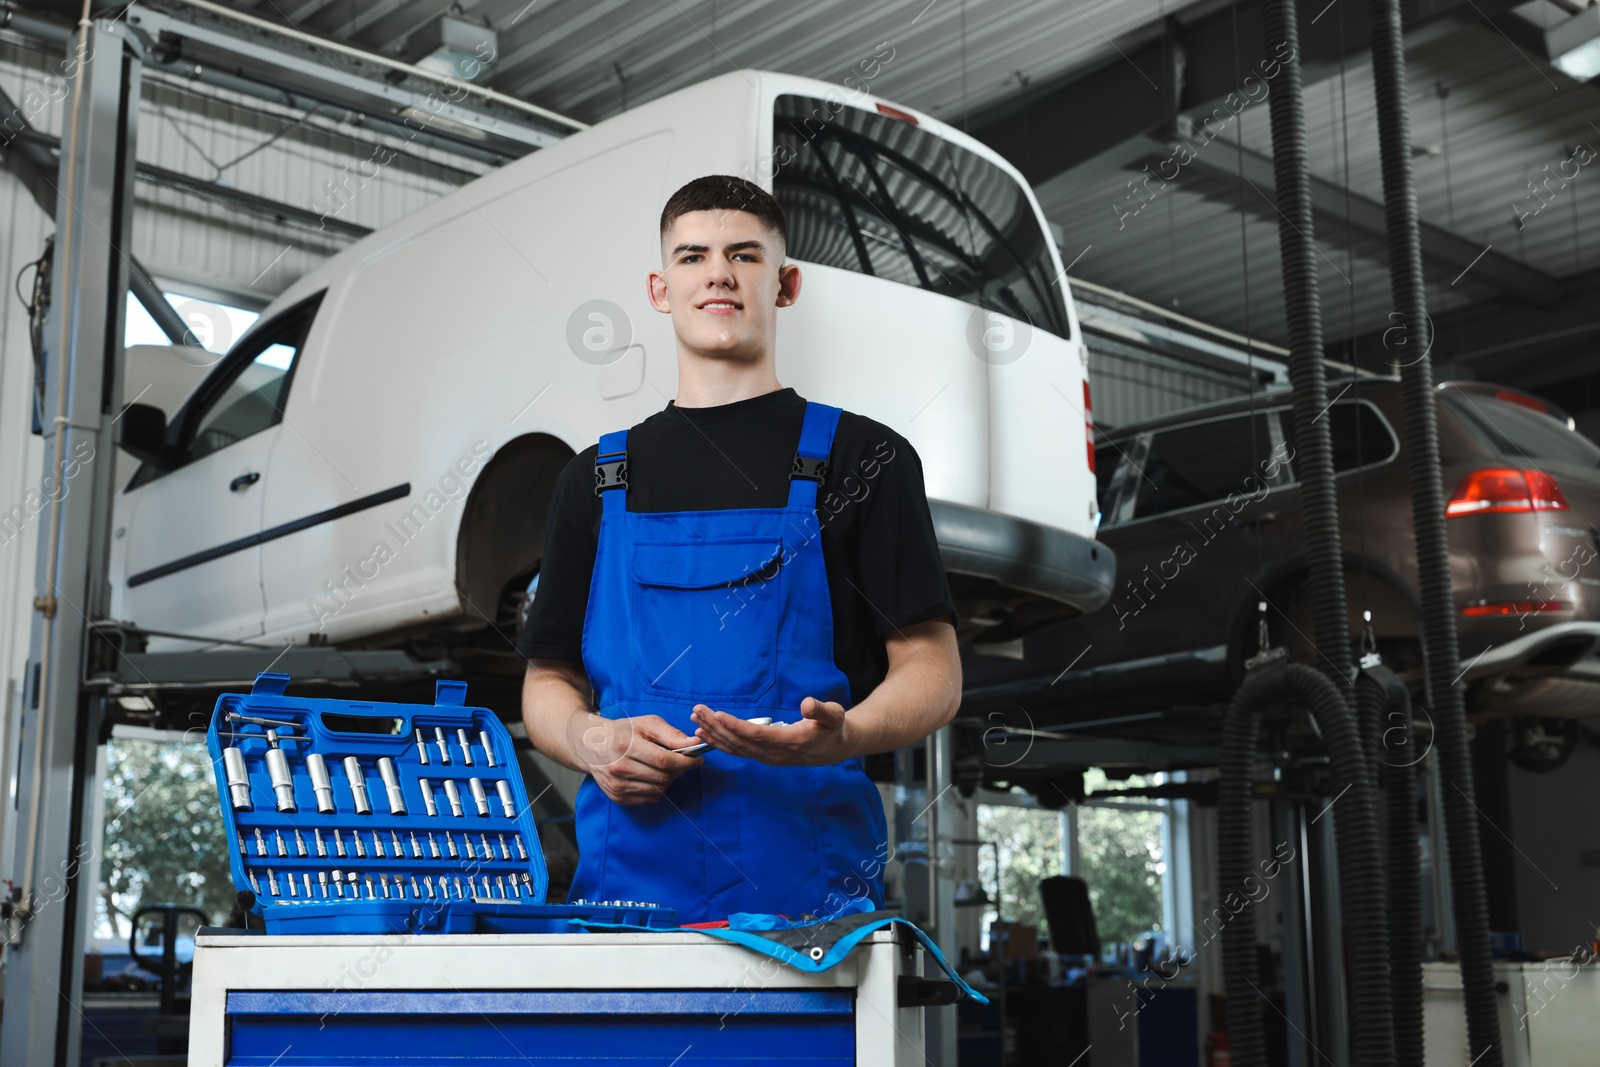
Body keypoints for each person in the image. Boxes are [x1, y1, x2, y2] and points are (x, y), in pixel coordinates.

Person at [518, 175, 961, 924]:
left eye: (744, 255)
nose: (718, 272)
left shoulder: (865, 458)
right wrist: (592, 739)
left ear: (785, 284)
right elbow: (547, 680)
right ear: (661, 289)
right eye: (693, 256)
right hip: (626, 902)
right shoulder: (593, 478)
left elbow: (935, 671)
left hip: (809, 910)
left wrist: (841, 736)